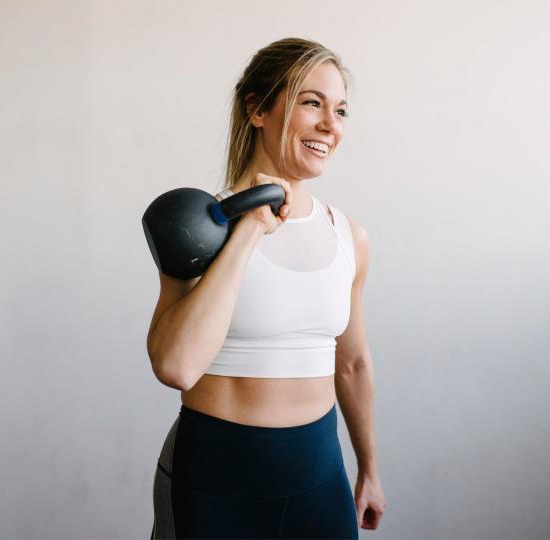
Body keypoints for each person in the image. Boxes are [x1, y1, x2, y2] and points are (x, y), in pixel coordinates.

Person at [146, 37, 386, 539]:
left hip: (319, 479)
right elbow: (176, 365)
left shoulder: (349, 237)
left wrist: (369, 469)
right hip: (214, 482)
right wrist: (249, 229)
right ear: (257, 108)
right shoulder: (200, 228)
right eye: (311, 102)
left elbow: (353, 362)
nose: (330, 124)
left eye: (340, 109)